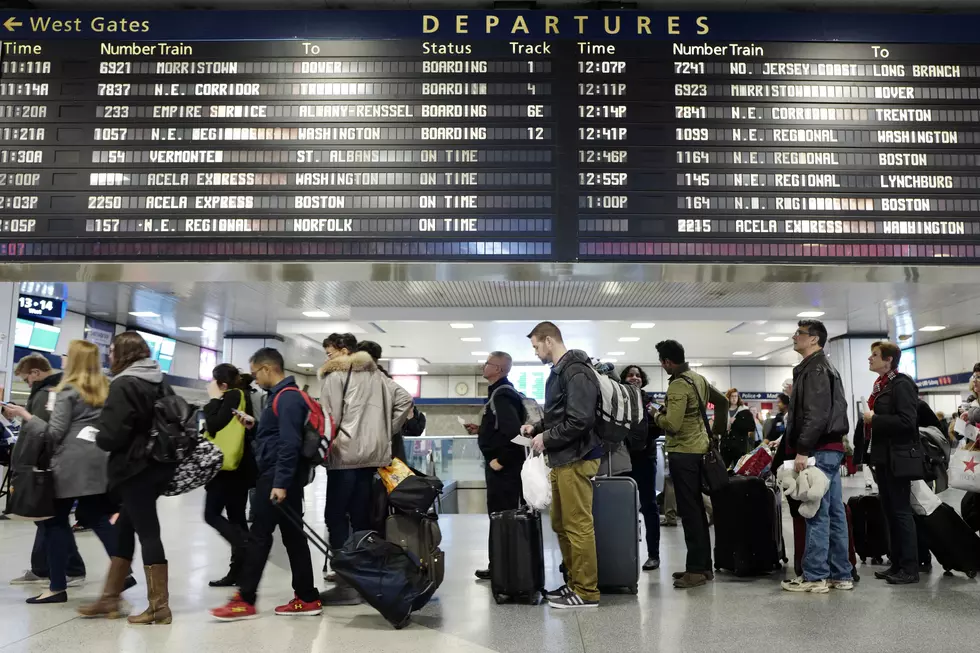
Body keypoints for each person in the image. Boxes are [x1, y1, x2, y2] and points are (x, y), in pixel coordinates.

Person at [6, 341, 134, 604]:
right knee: (96, 516)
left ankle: (56, 587)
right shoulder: (105, 388)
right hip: (98, 460)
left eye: (66, 354)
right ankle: (124, 572)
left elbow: (53, 433)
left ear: (74, 360)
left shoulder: (67, 391)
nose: (62, 358)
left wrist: (25, 416)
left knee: (53, 522)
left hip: (70, 464)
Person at [211, 348, 322, 620]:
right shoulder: (282, 398)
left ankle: (245, 599)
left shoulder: (287, 399)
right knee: (293, 537)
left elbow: (289, 443)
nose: (255, 380)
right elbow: (277, 436)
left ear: (267, 368)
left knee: (259, 536)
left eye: (256, 373)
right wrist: (254, 425)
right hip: (281, 477)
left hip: (276, 478)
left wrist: (281, 483)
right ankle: (307, 597)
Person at [81, 332, 177, 624]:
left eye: (110, 351)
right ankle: (110, 598)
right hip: (158, 464)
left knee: (148, 533)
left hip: (134, 468)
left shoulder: (124, 384)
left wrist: (97, 433)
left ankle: (159, 607)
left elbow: (113, 435)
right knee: (125, 527)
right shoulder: (160, 381)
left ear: (121, 353)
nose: (109, 356)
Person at [318, 338, 413, 605]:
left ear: (344, 353)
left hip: (345, 455)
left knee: (335, 516)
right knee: (361, 517)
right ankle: (363, 577)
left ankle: (347, 584)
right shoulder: (377, 376)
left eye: (329, 353)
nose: (327, 359)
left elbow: (329, 418)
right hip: (372, 457)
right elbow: (405, 400)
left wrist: (326, 446)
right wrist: (385, 432)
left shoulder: (335, 376)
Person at [521, 321, 602, 609]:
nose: (535, 353)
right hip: (563, 457)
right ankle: (573, 583)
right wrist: (538, 428)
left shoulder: (575, 371)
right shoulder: (561, 372)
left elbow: (580, 420)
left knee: (578, 525)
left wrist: (548, 437)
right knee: (561, 523)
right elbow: (561, 415)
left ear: (548, 340)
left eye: (535, 346)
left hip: (577, 458)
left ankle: (586, 591)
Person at [780, 319, 852, 594]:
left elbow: (817, 414)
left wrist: (802, 449)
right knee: (834, 512)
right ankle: (840, 574)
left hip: (819, 450)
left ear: (814, 339)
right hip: (831, 449)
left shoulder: (815, 369)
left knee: (817, 512)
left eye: (799, 333)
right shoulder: (822, 367)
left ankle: (815, 576)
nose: (794, 336)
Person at [652, 340, 727, 590]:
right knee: (697, 510)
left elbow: (671, 425)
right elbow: (723, 402)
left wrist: (655, 414)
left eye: (662, 363)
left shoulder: (677, 386)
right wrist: (716, 434)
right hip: (701, 451)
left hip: (683, 454)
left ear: (667, 362)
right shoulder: (699, 378)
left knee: (691, 512)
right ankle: (703, 567)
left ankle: (696, 571)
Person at [7, 354, 87, 587]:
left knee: (50, 519)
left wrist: (28, 462)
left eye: (27, 379)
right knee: (44, 519)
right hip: (47, 463)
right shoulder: (52, 391)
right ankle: (42, 568)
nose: (27, 384)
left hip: (42, 465)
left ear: (35, 373)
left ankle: (72, 568)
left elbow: (42, 431)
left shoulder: (47, 393)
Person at [864, 341, 920, 585]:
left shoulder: (902, 384)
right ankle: (896, 563)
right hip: (884, 458)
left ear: (888, 360)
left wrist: (875, 419)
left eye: (875, 355)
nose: (870, 358)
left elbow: (908, 421)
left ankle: (910, 567)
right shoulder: (881, 385)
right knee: (889, 512)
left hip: (899, 458)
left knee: (900, 512)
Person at [469, 351, 526, 581]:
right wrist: (481, 429)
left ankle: (503, 567)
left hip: (504, 471)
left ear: (498, 370)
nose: (484, 366)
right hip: (503, 469)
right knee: (500, 517)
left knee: (502, 517)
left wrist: (500, 460)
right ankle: (499, 565)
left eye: (488, 363)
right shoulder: (500, 393)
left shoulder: (502, 395)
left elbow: (514, 434)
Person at [203, 363, 258, 588]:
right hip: (240, 468)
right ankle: (240, 572)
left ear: (222, 384)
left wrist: (215, 399)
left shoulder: (233, 395)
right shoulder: (243, 394)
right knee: (236, 517)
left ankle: (245, 546)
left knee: (211, 514)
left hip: (227, 469)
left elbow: (215, 424)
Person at [620, 365, 662, 571]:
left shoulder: (650, 403)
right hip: (621, 460)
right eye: (630, 375)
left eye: (637, 375)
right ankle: (623, 552)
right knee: (623, 508)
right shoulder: (617, 402)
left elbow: (659, 425)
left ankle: (653, 554)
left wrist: (642, 439)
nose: (634, 378)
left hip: (645, 458)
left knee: (649, 506)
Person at [726, 388, 757, 455]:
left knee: (739, 464)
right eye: (732, 396)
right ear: (728, 397)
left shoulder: (745, 410)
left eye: (736, 396)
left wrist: (736, 422)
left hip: (740, 444)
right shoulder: (724, 410)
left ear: (738, 397)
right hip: (726, 443)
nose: (734, 398)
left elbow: (752, 427)